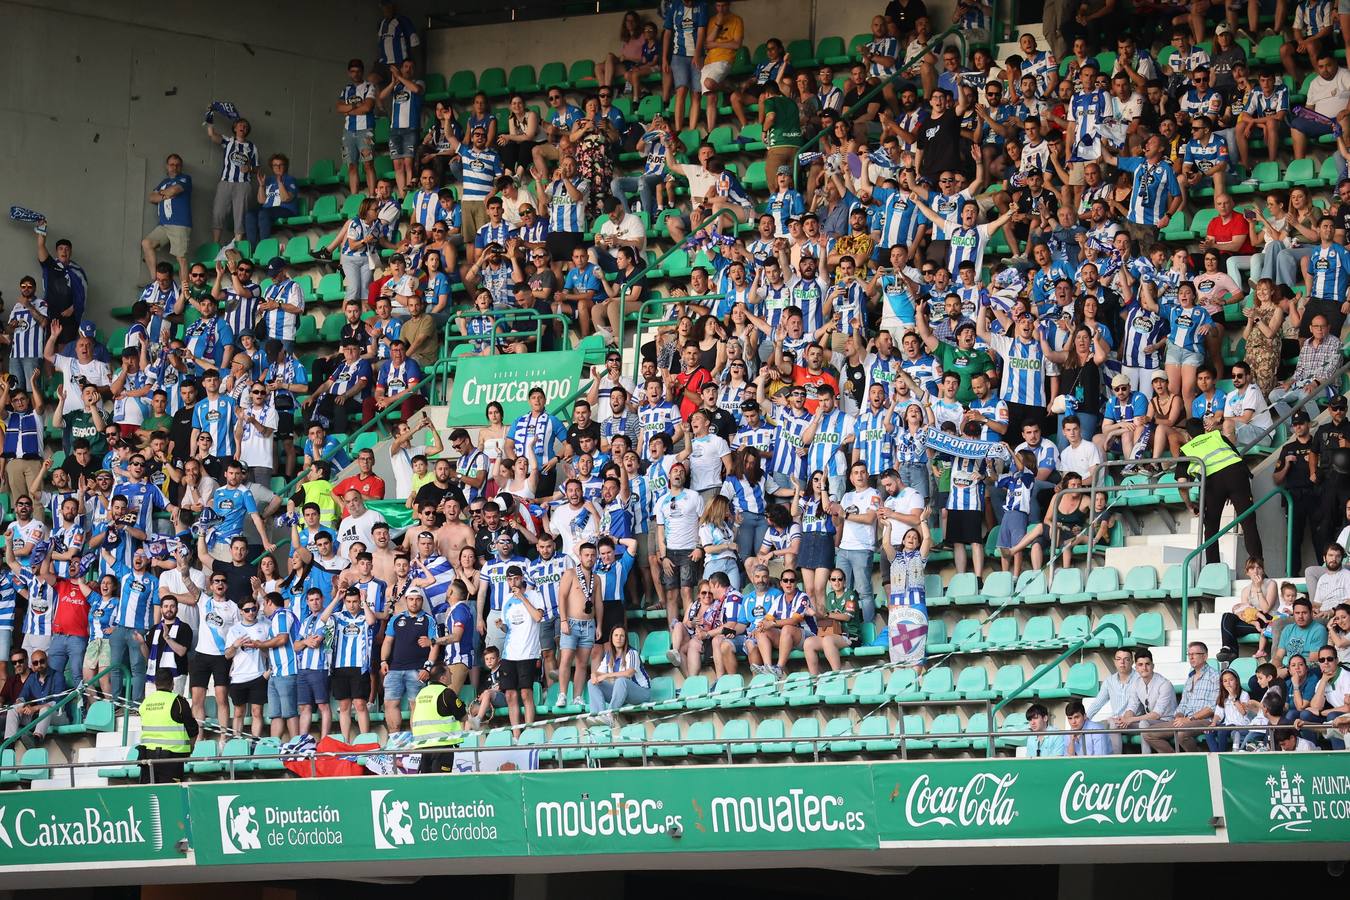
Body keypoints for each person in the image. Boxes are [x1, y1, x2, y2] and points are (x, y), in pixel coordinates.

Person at [1179, 417, 1262, 565]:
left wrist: (1189, 504)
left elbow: (1182, 484)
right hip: (1237, 475)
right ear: (1204, 430)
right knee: (1248, 522)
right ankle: (1258, 567)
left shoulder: (1187, 448)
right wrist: (1231, 490)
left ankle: (1213, 568)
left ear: (1188, 436)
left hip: (1213, 482)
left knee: (1211, 529)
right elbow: (1236, 456)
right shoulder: (1217, 436)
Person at [496, 564, 545, 733]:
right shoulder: (506, 599)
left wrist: (523, 597)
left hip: (529, 652)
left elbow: (538, 617)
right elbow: (508, 628)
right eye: (509, 579)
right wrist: (501, 626)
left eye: (516, 578)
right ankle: (516, 733)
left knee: (526, 693)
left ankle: (529, 730)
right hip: (510, 653)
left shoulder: (534, 595)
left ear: (522, 578)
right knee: (510, 694)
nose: (513, 582)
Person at [1144, 642, 1218, 753]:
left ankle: (1196, 758)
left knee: (1181, 733)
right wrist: (1179, 716)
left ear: (1205, 656)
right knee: (1148, 733)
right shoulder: (1190, 677)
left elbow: (1212, 708)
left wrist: (1189, 719)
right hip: (1185, 721)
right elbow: (1183, 704)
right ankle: (1173, 760)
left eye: (1195, 654)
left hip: (1205, 720)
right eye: (1189, 654)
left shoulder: (1215, 676)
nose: (1191, 657)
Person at [136, 669, 199, 782]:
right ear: (172, 683)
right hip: (171, 759)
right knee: (171, 794)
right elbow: (193, 729)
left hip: (148, 756)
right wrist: (191, 747)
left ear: (155, 683)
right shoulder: (178, 701)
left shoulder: (146, 702)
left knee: (149, 794)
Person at [1111, 648, 1177, 752]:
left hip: (1166, 722)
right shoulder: (1137, 683)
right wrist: (1125, 719)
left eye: (1147, 664)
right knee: (1114, 724)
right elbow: (1132, 707)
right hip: (1149, 722)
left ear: (1153, 666)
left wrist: (1131, 720)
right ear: (1136, 667)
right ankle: (1115, 759)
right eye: (1140, 665)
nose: (1144, 668)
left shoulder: (1164, 684)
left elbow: (1156, 714)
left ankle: (1146, 759)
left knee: (1143, 723)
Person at [141, 153, 192, 281]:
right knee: (147, 243)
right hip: (164, 225)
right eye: (171, 165)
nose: (174, 167)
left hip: (180, 224)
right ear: (166, 166)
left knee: (181, 258)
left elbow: (174, 191)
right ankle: (155, 281)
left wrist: (162, 194)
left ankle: (184, 293)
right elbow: (151, 197)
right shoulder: (164, 182)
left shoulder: (185, 178)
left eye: (177, 165)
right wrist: (166, 194)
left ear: (181, 167)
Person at [411, 663, 468, 774]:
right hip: (442, 745)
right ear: (442, 678)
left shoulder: (421, 693)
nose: (452, 674)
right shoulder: (446, 693)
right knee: (441, 782)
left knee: (427, 782)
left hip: (424, 745)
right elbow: (463, 716)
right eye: (449, 672)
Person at [586, 624, 650, 721]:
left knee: (621, 681)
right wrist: (593, 675)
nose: (618, 638)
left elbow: (629, 673)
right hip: (621, 694)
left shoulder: (632, 653)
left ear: (625, 639)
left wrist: (607, 675)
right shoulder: (609, 655)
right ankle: (598, 715)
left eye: (622, 636)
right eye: (616, 635)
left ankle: (610, 716)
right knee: (591, 683)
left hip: (641, 693)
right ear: (611, 638)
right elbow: (598, 673)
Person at [2, 650, 66, 741]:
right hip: (38, 718)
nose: (39, 665)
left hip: (58, 716)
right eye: (35, 663)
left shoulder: (57, 676)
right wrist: (20, 704)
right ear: (32, 665)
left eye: (42, 661)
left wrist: (35, 708)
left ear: (47, 660)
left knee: (45, 710)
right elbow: (22, 696)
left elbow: (57, 702)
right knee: (13, 709)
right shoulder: (32, 678)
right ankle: (9, 741)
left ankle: (36, 739)